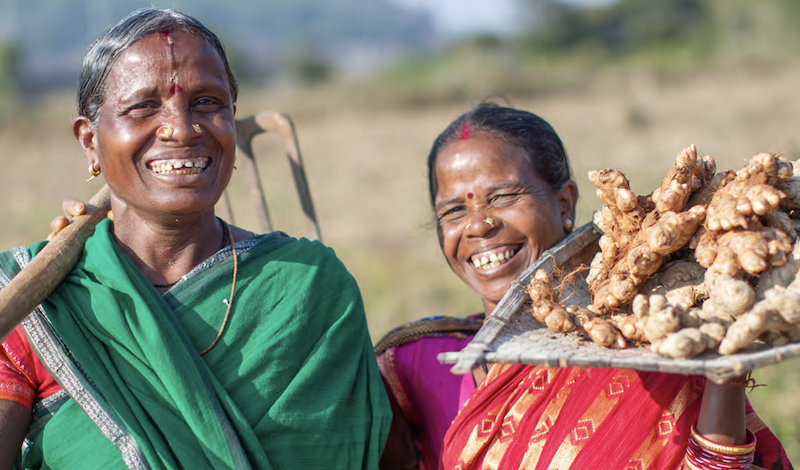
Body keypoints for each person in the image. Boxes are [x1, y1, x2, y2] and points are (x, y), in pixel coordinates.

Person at [0, 8, 391, 470]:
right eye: (143, 106)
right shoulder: (39, 304)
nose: (182, 128)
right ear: (90, 142)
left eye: (207, 102)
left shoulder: (310, 289)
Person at [385, 102, 793, 469]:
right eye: (455, 209)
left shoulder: (652, 352)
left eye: (505, 197)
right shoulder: (413, 364)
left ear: (564, 203)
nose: (479, 224)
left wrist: (726, 369)